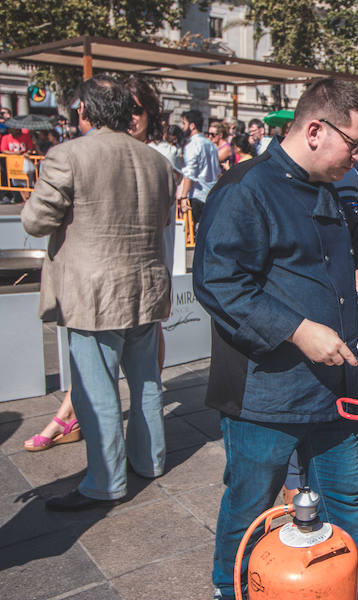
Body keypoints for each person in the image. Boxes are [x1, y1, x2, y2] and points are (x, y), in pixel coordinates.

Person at [193, 78, 358, 600]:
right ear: (317, 130)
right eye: (357, 144)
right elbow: (218, 283)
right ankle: (229, 589)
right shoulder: (244, 189)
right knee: (250, 502)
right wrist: (297, 330)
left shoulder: (324, 186)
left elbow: (356, 237)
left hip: (333, 387)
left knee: (343, 497)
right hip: (265, 392)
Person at [22, 75, 176, 509]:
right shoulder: (157, 162)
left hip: (94, 295)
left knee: (97, 390)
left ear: (84, 112)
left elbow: (36, 221)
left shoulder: (68, 154)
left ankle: (105, 482)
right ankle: (150, 461)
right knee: (146, 380)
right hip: (145, 287)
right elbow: (164, 221)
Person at [179, 109, 221, 231]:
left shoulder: (192, 145)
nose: (182, 127)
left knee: (193, 235)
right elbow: (216, 171)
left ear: (192, 126)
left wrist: (183, 197)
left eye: (184, 123)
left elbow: (189, 174)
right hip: (210, 194)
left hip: (196, 196)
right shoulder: (211, 144)